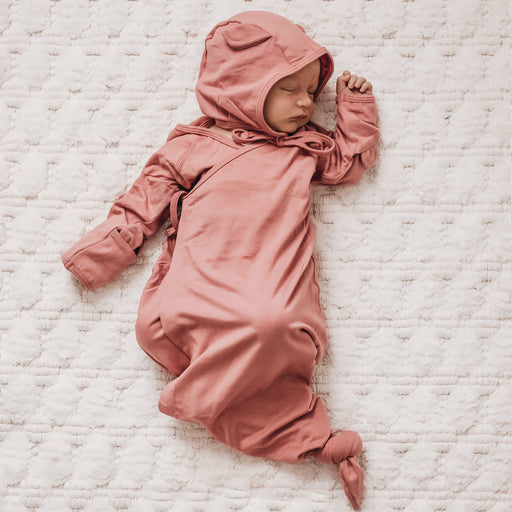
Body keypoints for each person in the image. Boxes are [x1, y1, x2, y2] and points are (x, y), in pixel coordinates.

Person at [61, 10, 380, 510]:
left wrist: (354, 109)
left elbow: (348, 164)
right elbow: (143, 201)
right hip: (205, 272)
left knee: (276, 324)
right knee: (183, 318)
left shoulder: (302, 147)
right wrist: (103, 252)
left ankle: (283, 424)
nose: (305, 102)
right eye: (289, 89)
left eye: (310, 91)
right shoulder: (194, 146)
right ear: (243, 88)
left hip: (274, 275)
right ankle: (230, 394)